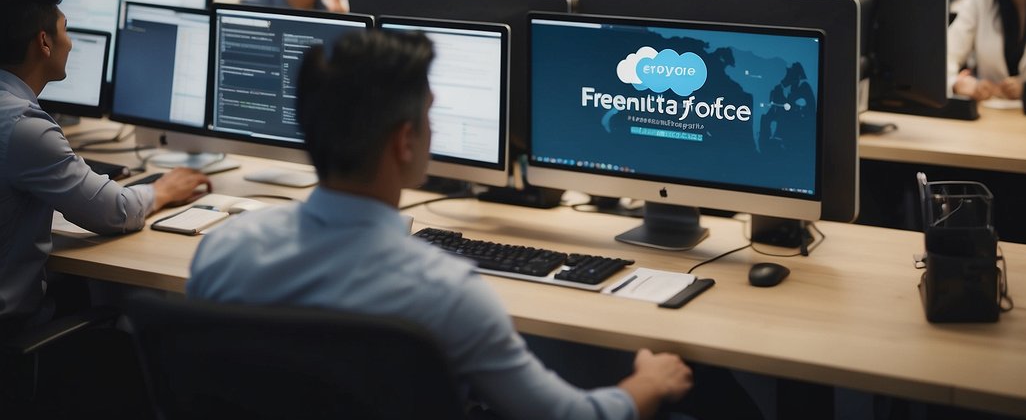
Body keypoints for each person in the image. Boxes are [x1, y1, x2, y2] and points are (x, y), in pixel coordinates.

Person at [186, 29, 693, 420]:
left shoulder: (223, 251)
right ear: (405, 142)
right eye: (429, 116)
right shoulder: (445, 292)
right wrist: (647, 384)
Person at [0, 0, 209, 332]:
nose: (71, 42)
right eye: (66, 30)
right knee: (127, 312)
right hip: (12, 328)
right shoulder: (25, 128)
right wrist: (161, 191)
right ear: (44, 42)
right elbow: (113, 212)